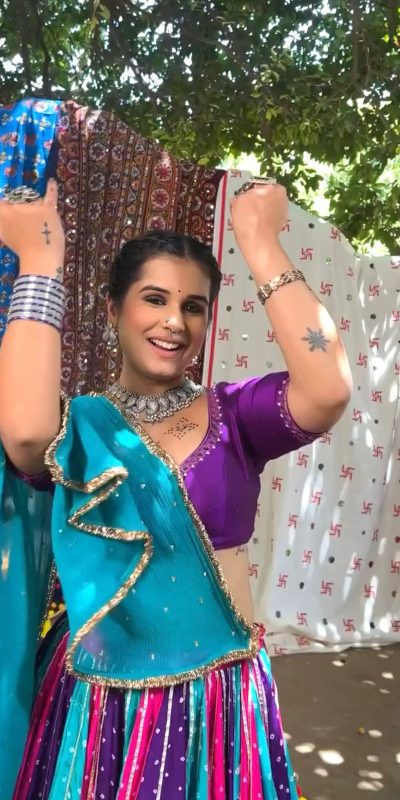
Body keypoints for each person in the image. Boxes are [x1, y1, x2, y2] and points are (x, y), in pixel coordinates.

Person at [0, 177, 352, 800]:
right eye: (154, 299)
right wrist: (40, 260)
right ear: (113, 309)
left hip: (216, 698)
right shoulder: (79, 430)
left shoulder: (235, 417)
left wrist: (260, 242)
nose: (174, 321)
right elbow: (25, 435)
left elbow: (327, 389)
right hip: (97, 699)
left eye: (193, 306)